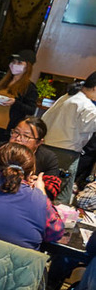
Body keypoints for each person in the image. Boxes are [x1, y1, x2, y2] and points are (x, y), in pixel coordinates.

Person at [0, 117, 61, 200]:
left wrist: (35, 184)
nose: (18, 139)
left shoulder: (48, 158)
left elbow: (52, 189)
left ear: (39, 142)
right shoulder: (0, 148)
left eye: (26, 136)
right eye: (16, 132)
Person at [41, 71, 96, 204]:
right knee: (53, 192)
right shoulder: (87, 107)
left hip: (46, 146)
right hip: (64, 153)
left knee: (53, 190)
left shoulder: (67, 96)